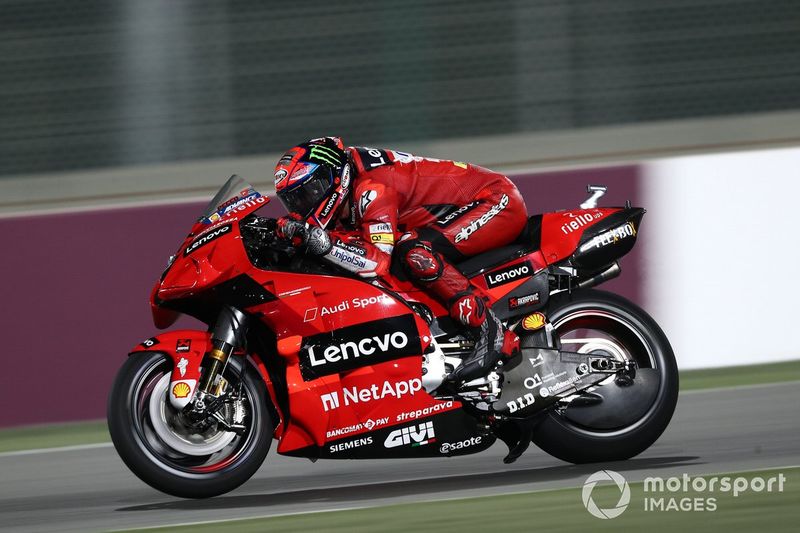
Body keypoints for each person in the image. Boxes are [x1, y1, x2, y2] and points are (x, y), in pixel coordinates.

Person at [273, 136, 528, 386]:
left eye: (308, 193)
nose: (304, 206)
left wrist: (324, 243)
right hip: (454, 214)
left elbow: (377, 261)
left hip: (496, 201)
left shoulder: (373, 186)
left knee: (413, 250)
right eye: (293, 201)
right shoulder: (349, 182)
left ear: (333, 177)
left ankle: (490, 331)